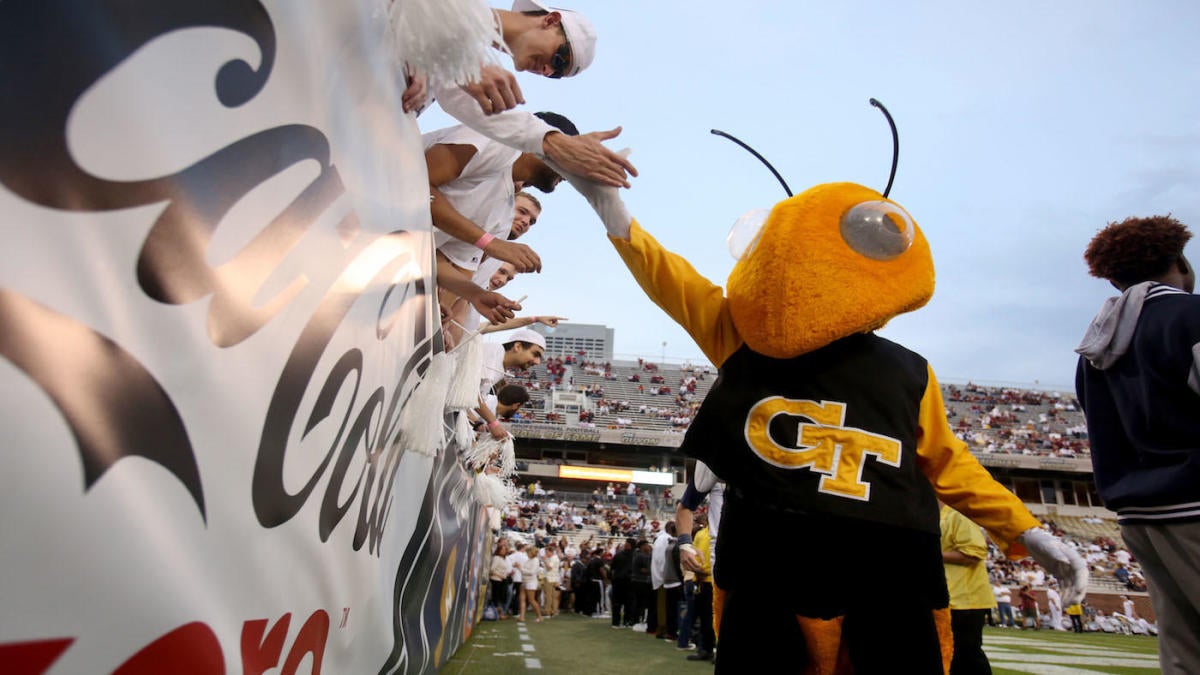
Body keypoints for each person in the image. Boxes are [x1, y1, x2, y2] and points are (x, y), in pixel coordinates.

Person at [1075, 214, 1200, 674]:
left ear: (1112, 277)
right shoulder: (1191, 316)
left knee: (1185, 651)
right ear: (1180, 260)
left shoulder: (1095, 348)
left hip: (1139, 515)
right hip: (1194, 500)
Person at [417, 1, 637, 189]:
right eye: (559, 58)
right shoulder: (457, 25)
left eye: (556, 75)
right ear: (550, 20)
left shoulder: (462, 52)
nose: (548, 70)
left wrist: (553, 142)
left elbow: (488, 118)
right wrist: (460, 60)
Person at [940, 503, 996, 675]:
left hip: (966, 599)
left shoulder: (958, 514)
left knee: (966, 655)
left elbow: (973, 552)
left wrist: (931, 553)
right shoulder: (936, 516)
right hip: (949, 597)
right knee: (950, 655)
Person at [519, 543, 545, 622]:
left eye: (528, 552)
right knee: (522, 599)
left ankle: (539, 617)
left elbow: (532, 572)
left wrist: (521, 569)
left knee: (531, 600)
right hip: (524, 581)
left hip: (531, 582)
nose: (527, 554)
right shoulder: (529, 560)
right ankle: (522, 616)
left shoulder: (535, 560)